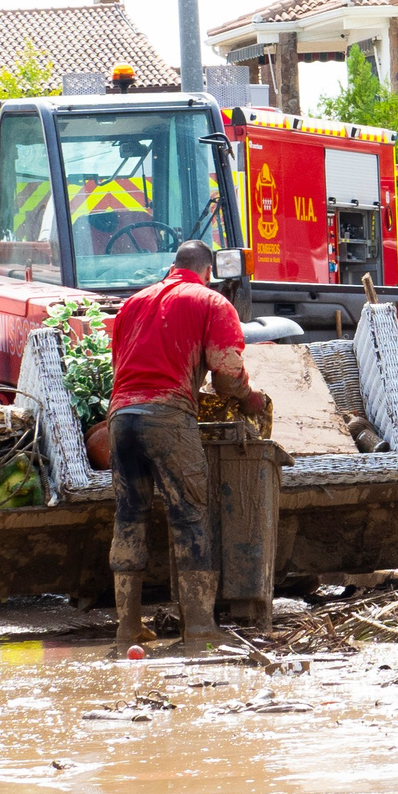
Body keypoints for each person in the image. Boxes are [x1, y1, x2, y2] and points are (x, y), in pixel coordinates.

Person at [104, 239, 269, 650]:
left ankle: (127, 628)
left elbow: (120, 364)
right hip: (168, 417)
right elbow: (227, 374)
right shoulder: (210, 302)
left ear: (173, 265)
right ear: (208, 271)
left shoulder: (133, 304)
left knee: (129, 516)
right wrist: (251, 401)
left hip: (121, 419)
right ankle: (198, 627)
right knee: (190, 516)